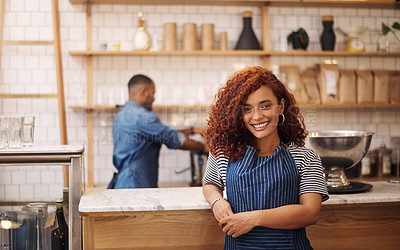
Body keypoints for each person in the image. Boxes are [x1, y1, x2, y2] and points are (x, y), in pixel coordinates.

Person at [202, 66, 328, 249]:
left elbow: (310, 213)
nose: (257, 116)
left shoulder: (305, 157)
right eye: (247, 109)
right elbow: (210, 184)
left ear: (281, 106)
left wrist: (253, 219)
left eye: (265, 106)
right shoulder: (224, 153)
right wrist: (216, 202)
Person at [109, 74, 205, 189]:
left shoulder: (121, 115)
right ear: (143, 91)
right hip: (136, 186)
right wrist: (204, 147)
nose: (154, 98)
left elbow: (161, 134)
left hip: (122, 183)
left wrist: (191, 130)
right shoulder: (142, 117)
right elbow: (173, 139)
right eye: (153, 93)